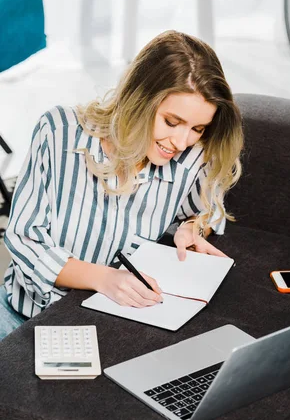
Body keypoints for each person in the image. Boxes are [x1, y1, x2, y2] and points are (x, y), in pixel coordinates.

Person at [0, 30, 243, 341]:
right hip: (25, 317)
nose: (182, 141)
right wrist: (102, 278)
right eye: (171, 122)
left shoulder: (193, 155)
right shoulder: (60, 131)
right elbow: (24, 237)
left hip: (115, 326)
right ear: (138, 99)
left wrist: (191, 228)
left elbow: (199, 214)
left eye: (197, 128)